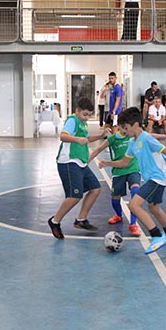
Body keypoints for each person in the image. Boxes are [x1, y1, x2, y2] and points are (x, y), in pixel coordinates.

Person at [98, 107, 166, 254]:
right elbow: (124, 163)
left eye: (125, 128)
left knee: (134, 205)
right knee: (154, 208)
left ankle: (157, 236)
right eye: (122, 129)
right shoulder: (132, 143)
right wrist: (107, 163)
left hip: (157, 177)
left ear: (136, 124)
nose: (124, 131)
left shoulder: (147, 138)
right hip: (152, 178)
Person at [89, 125, 166, 236]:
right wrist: (89, 161)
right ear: (118, 127)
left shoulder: (133, 136)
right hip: (118, 171)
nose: (125, 130)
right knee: (116, 197)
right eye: (123, 128)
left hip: (133, 169)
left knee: (135, 195)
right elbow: (98, 149)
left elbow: (151, 136)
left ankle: (134, 224)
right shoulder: (113, 138)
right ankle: (118, 215)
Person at [46, 97, 108, 239]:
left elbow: (86, 138)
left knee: (95, 188)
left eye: (89, 115)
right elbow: (63, 136)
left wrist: (101, 135)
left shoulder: (83, 123)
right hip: (68, 162)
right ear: (77, 111)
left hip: (80, 162)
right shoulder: (72, 120)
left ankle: (81, 219)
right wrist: (76, 139)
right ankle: (55, 221)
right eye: (84, 114)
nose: (86, 118)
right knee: (74, 196)